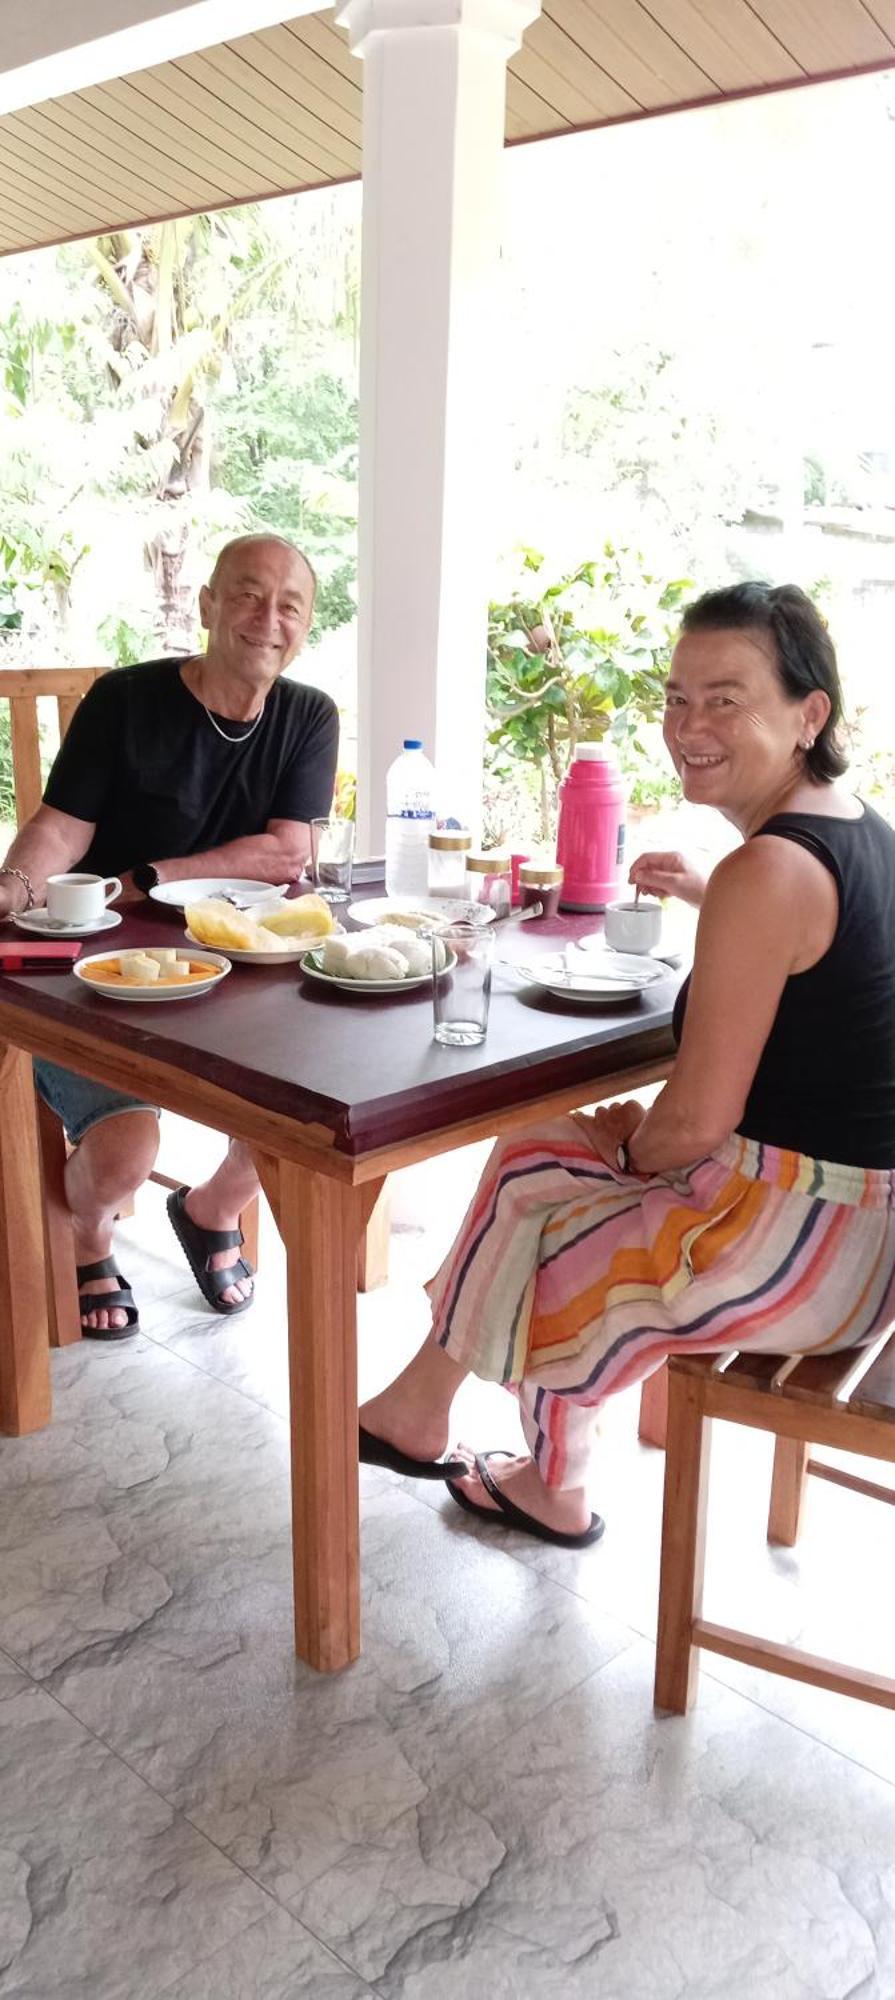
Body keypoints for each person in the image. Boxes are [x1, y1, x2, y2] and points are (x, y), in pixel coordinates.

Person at [360, 581, 895, 1547]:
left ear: (807, 714)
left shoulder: (767, 873)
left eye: (725, 699)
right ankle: (419, 1407)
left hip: (801, 1251)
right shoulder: (854, 830)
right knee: (531, 1157)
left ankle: (550, 1486)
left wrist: (627, 1149)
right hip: (858, 1226)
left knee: (553, 1237)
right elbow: (819, 970)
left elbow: (690, 1125)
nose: (687, 724)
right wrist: (707, 895)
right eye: (676, 697)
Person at [0, 533, 339, 1338]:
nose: (267, 618)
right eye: (248, 595)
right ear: (207, 604)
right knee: (122, 1153)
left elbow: (289, 850)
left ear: (306, 623)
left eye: (289, 604)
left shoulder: (308, 715)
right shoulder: (125, 702)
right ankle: (90, 1231)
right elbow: (63, 830)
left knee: (315, 1105)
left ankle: (212, 1205)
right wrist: (14, 887)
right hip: (110, 965)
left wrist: (152, 874)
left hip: (242, 966)